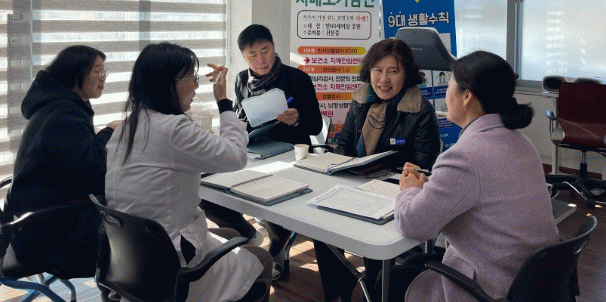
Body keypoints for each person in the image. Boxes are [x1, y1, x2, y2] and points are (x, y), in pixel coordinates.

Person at [104, 42, 272, 302]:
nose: (195, 86)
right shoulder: (173, 129)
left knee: (232, 235)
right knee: (262, 259)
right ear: (169, 83)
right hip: (170, 266)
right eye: (192, 78)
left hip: (132, 262)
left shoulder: (127, 126)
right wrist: (223, 101)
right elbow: (236, 157)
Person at [390, 50, 560, 302]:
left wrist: (409, 190)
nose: (446, 94)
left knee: (387, 280)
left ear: (467, 96)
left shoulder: (464, 157)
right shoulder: (521, 141)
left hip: (492, 286)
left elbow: (412, 225)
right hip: (532, 280)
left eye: (449, 85)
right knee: (415, 261)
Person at [314, 37, 441, 302]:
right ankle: (339, 293)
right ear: (369, 72)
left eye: (393, 71)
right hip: (354, 185)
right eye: (378, 70)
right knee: (321, 229)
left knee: (374, 246)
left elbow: (423, 167)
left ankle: (372, 291)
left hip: (393, 195)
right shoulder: (361, 100)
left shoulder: (420, 111)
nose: (384, 79)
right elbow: (344, 147)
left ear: (406, 74)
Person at [202, 24, 323, 280]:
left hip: (290, 155)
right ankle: (245, 232)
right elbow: (241, 119)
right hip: (253, 153)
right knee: (206, 189)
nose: (261, 60)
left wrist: (297, 119)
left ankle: (277, 246)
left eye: (265, 51)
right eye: (252, 55)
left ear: (274, 47)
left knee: (272, 198)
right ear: (243, 57)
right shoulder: (241, 80)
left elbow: (315, 125)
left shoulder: (297, 79)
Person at [7, 45, 119, 279]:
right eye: (97, 71)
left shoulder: (56, 106)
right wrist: (109, 132)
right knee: (139, 246)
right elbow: (92, 173)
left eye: (104, 71)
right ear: (75, 74)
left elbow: (77, 165)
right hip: (51, 239)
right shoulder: (64, 115)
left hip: (36, 227)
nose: (103, 77)